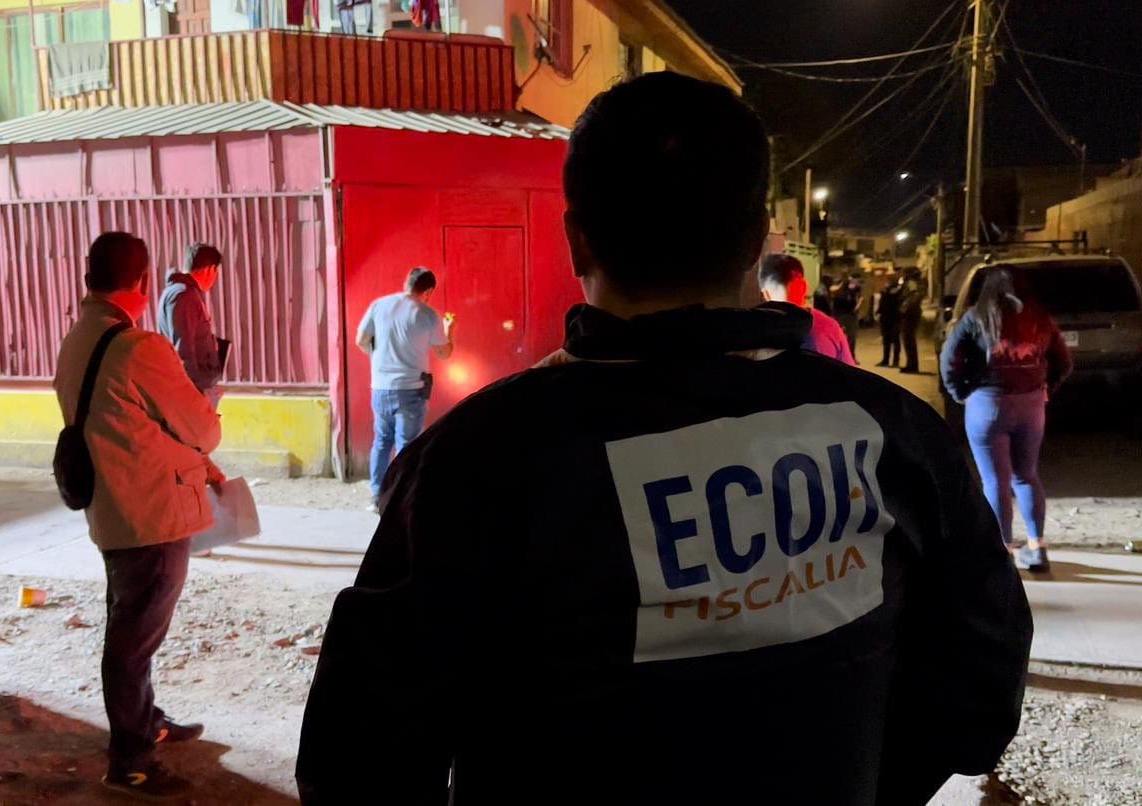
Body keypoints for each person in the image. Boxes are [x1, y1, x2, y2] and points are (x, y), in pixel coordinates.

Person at [297, 73, 1031, 806]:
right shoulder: (895, 433)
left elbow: (360, 761)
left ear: (576, 240)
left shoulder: (476, 461)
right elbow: (979, 688)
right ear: (757, 237)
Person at [55, 232, 224, 800]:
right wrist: (200, 436)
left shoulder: (77, 339)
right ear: (144, 283)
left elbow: (123, 425)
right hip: (152, 515)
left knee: (131, 626)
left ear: (89, 278)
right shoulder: (139, 347)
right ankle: (130, 761)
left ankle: (146, 721)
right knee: (133, 641)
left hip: (113, 510)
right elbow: (203, 429)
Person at [940, 268, 1072, 571]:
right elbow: (1064, 361)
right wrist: (1044, 388)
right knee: (1027, 476)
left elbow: (949, 360)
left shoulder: (976, 317)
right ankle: (1037, 548)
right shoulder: (1040, 318)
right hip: (1031, 405)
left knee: (994, 481)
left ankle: (1003, 551)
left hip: (987, 404)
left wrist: (960, 392)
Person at [355, 267, 455, 511]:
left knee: (381, 441)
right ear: (428, 291)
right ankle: (400, 498)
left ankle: (377, 496)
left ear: (407, 283)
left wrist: (379, 360)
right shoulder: (428, 315)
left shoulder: (379, 305)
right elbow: (444, 352)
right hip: (411, 389)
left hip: (380, 388)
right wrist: (449, 328)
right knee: (407, 445)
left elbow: (361, 340)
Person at [158, 243, 225, 408]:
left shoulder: (181, 292)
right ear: (210, 269)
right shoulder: (184, 295)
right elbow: (184, 349)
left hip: (196, 386)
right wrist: (196, 392)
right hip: (194, 390)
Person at [759, 254, 856, 366]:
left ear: (766, 294)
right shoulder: (829, 328)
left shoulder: (752, 331)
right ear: (804, 287)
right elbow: (849, 372)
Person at [899, 268, 926, 373]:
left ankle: (912, 366)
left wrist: (906, 307)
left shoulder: (911, 283)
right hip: (912, 313)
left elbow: (914, 296)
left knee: (908, 340)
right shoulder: (913, 283)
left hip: (910, 314)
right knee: (909, 340)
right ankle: (911, 364)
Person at [876, 278, 903, 367]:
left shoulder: (898, 294)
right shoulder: (885, 293)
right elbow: (882, 304)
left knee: (895, 340)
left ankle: (895, 361)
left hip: (894, 319)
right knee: (886, 340)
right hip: (885, 319)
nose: (886, 285)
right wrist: (878, 312)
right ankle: (886, 360)